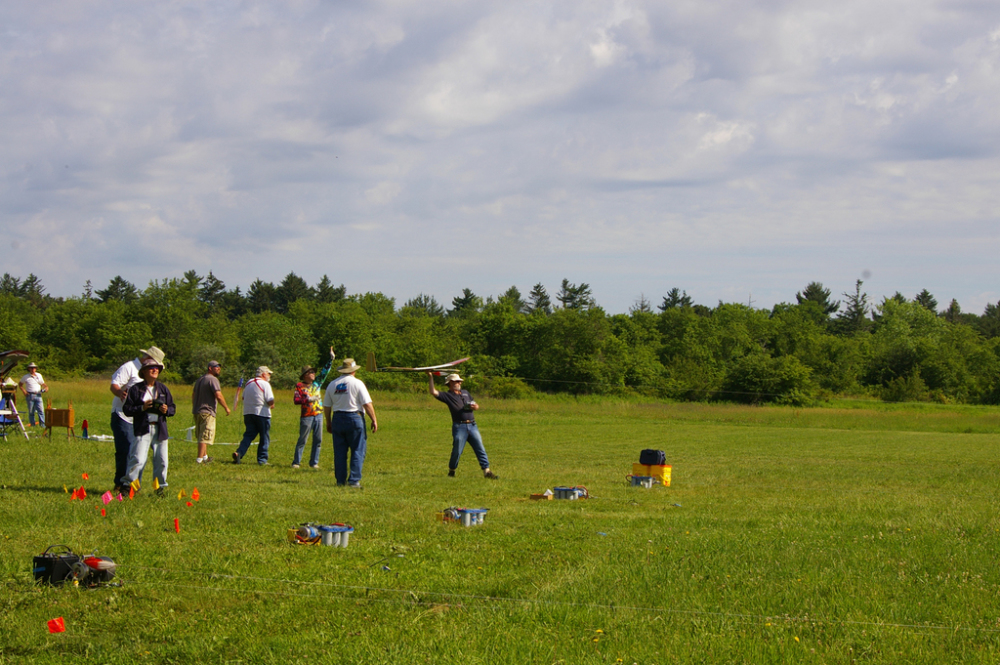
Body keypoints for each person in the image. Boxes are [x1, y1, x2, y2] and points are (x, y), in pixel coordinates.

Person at [110, 347, 164, 492]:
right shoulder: (129, 367)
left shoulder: (150, 373)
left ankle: (134, 486)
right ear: (147, 357)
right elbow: (114, 385)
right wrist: (121, 393)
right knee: (126, 450)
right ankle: (120, 484)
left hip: (141, 418)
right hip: (123, 416)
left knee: (139, 453)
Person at [427, 372, 497, 479]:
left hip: (473, 425)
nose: (459, 383)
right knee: (457, 450)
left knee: (480, 448)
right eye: (456, 381)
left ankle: (487, 471)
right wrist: (430, 376)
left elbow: (476, 405)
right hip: (459, 427)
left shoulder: (465, 392)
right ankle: (452, 471)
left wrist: (475, 407)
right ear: (450, 383)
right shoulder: (447, 396)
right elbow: (433, 391)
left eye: (460, 381)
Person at [122, 357, 176, 496]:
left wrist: (166, 410)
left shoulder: (163, 389)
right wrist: (142, 407)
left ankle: (159, 488)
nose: (155, 370)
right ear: (144, 371)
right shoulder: (136, 389)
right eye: (151, 368)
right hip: (143, 428)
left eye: (157, 368)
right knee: (138, 459)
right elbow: (127, 409)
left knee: (162, 460)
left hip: (160, 429)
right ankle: (128, 486)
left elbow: (172, 409)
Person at [323, 358, 377, 487]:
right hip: (354, 417)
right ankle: (353, 480)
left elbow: (326, 406)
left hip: (337, 418)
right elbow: (367, 404)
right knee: (358, 449)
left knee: (340, 452)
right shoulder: (357, 384)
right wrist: (374, 419)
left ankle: (340, 481)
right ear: (353, 371)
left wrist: (328, 422)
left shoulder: (332, 384)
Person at [233, 366, 275, 465]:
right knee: (264, 436)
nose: (269, 376)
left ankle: (239, 453)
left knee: (248, 435)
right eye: (269, 374)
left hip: (248, 413)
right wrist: (272, 404)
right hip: (262, 414)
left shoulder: (248, 383)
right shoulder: (265, 384)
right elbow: (270, 399)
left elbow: (243, 397)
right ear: (263, 374)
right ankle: (262, 459)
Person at [191, 360, 231, 464]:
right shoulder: (212, 379)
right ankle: (199, 460)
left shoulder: (200, 379)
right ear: (210, 368)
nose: (218, 369)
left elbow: (193, 395)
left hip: (197, 411)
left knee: (201, 434)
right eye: (216, 367)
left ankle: (205, 457)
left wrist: (195, 406)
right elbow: (218, 395)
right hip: (207, 412)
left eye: (219, 367)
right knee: (205, 436)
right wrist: (226, 407)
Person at [292, 365, 323, 469]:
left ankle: (314, 462)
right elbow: (296, 400)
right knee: (303, 439)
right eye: (311, 372)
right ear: (305, 375)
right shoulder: (300, 386)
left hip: (318, 415)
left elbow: (325, 372)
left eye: (314, 372)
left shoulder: (317, 383)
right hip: (307, 416)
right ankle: (296, 462)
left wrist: (331, 360)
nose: (314, 374)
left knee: (318, 440)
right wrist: (308, 400)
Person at [18, 362, 48, 427]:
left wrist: (46, 387)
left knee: (41, 411)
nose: (33, 369)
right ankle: (32, 424)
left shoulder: (39, 375)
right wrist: (24, 391)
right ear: (29, 369)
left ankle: (42, 425)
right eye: (31, 368)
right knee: (31, 411)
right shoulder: (26, 377)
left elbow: (42, 383)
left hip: (38, 394)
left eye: (34, 368)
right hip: (30, 395)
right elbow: (20, 384)